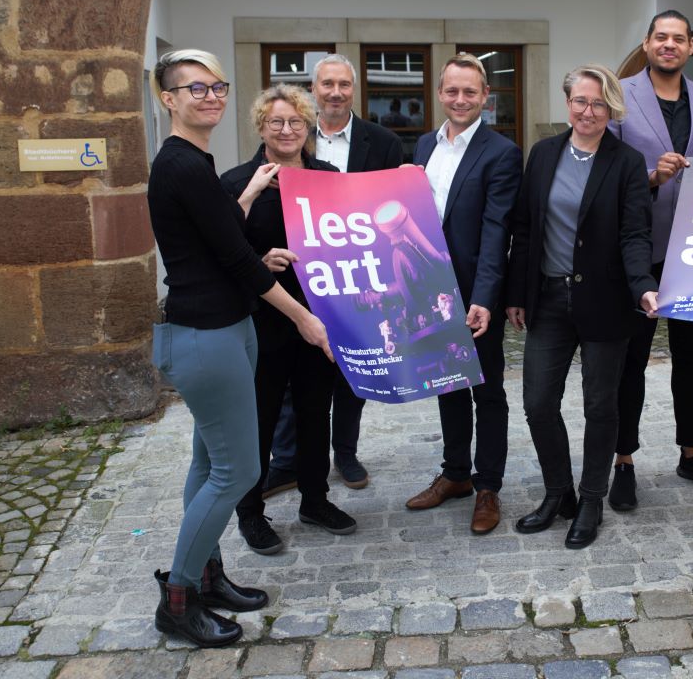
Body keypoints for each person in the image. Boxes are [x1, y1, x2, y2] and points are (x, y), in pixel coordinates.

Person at [146, 49, 331, 647]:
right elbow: (236, 259)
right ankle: (179, 597)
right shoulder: (181, 165)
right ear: (168, 98)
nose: (209, 96)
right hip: (206, 334)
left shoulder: (196, 162)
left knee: (207, 464)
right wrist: (305, 318)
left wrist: (246, 196)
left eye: (216, 86)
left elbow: (217, 231)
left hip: (224, 329)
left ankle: (205, 571)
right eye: (193, 88)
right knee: (239, 468)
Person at [506, 65, 658, 549]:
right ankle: (559, 494)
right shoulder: (544, 153)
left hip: (607, 300)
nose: (588, 111)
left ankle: (592, 498)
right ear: (567, 102)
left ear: (611, 109)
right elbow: (525, 229)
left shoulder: (627, 161)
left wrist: (643, 287)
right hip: (548, 299)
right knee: (537, 402)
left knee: (599, 404)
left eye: (598, 104)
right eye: (580, 101)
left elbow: (636, 233)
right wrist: (515, 294)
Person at [221, 84, 358, 556]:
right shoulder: (238, 180)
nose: (286, 130)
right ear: (260, 126)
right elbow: (220, 251)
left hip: (319, 316)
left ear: (308, 126)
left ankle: (315, 500)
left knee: (316, 410)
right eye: (276, 122)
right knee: (257, 419)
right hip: (263, 318)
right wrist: (260, 260)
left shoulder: (326, 175)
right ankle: (251, 513)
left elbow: (351, 236)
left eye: (296, 122)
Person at [608, 10, 693, 510]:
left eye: (678, 39)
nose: (669, 45)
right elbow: (611, 177)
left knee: (691, 357)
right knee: (631, 360)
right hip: (639, 249)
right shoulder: (620, 95)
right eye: (660, 37)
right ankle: (623, 461)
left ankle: (692, 452)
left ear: (689, 48)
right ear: (646, 44)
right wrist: (651, 176)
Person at [264, 54, 404, 495]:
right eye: (328, 84)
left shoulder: (381, 142)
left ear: (354, 89)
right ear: (313, 88)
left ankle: (344, 451)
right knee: (294, 371)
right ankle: (288, 460)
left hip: (357, 274)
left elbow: (391, 199)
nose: (337, 92)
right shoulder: (294, 138)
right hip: (296, 274)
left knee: (351, 366)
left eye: (345, 84)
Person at [406, 53, 522, 535]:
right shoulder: (421, 146)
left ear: (485, 97)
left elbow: (498, 230)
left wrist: (486, 297)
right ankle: (455, 473)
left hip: (474, 292)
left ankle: (488, 486)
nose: (460, 99)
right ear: (439, 93)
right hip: (426, 290)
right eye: (452, 91)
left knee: (486, 391)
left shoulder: (501, 152)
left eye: (469, 92)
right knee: (446, 384)